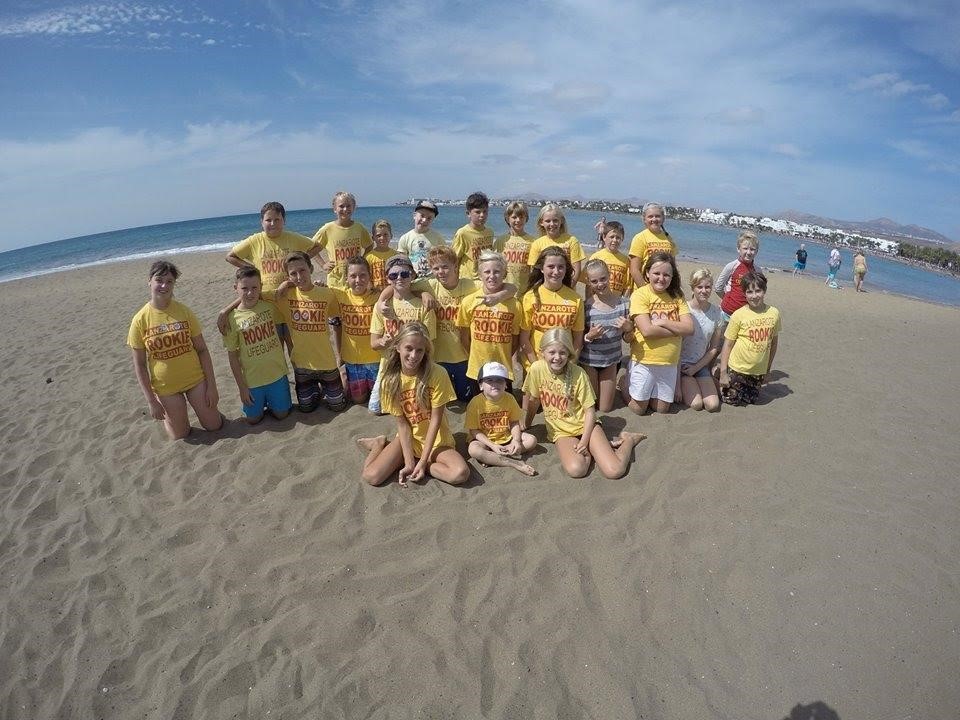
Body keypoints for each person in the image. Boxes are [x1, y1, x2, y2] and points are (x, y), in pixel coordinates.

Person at [356, 322, 470, 487]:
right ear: (398, 347)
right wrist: (409, 463)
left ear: (426, 351)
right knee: (371, 477)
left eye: (420, 350)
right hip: (407, 438)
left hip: (435, 440)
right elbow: (402, 424)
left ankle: (422, 464)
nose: (414, 355)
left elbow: (435, 421)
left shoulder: (437, 373)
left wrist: (423, 462)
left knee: (460, 473)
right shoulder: (390, 381)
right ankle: (378, 443)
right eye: (408, 348)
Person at [522, 329, 646, 479]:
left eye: (562, 352)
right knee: (577, 470)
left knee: (615, 471)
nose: (557, 357)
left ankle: (628, 440)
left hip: (586, 426)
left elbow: (589, 411)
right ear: (542, 352)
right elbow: (534, 400)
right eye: (552, 352)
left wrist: (584, 441)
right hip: (562, 431)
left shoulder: (579, 373)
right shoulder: (536, 369)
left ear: (569, 353)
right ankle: (596, 450)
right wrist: (527, 423)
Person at [128, 260, 223, 440]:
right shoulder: (140, 320)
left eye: (169, 281)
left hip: (195, 380)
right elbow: (140, 365)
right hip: (166, 388)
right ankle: (175, 418)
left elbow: (202, 350)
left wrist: (212, 387)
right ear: (150, 281)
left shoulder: (184, 312)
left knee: (214, 425)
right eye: (159, 280)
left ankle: (203, 412)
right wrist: (151, 400)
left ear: (174, 284)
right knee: (180, 435)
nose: (164, 285)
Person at [271, 252, 347, 413]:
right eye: (293, 273)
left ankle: (338, 382)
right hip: (302, 366)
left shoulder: (327, 293)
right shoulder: (284, 296)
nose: (299, 276)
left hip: (326, 363)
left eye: (302, 270)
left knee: (338, 407)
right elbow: (252, 297)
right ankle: (315, 391)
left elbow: (353, 299)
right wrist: (224, 312)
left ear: (311, 268)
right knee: (307, 409)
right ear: (287, 276)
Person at [623, 252, 694, 414]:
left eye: (666, 274)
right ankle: (624, 380)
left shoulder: (677, 295)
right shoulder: (640, 295)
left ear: (672, 276)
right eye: (656, 273)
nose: (661, 278)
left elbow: (689, 329)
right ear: (647, 273)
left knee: (661, 409)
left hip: (669, 362)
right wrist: (677, 329)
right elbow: (647, 331)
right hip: (645, 359)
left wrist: (663, 322)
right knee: (638, 409)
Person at [223, 267, 293, 424]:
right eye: (244, 288)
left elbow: (287, 294)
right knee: (253, 419)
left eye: (254, 288)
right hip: (252, 381)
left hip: (277, 375)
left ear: (261, 287)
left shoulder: (270, 307)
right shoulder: (231, 319)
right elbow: (233, 356)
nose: (250, 293)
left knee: (282, 415)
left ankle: (274, 400)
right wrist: (242, 388)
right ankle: (263, 402)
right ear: (236, 288)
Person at [368, 255, 436, 414]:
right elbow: (374, 343)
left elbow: (429, 344)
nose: (399, 278)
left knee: (417, 409)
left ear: (412, 275)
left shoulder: (424, 305)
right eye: (393, 275)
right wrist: (384, 341)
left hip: (415, 365)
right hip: (390, 364)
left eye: (404, 274)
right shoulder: (382, 307)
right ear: (388, 278)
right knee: (375, 409)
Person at [457, 250, 524, 392]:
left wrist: (504, 357)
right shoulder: (469, 301)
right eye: (487, 272)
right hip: (477, 369)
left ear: (504, 274)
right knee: (479, 408)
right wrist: (475, 356)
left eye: (497, 272)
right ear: (480, 275)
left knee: (504, 409)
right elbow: (464, 337)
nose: (492, 276)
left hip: (503, 368)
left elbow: (515, 339)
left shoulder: (515, 304)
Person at [719, 270, 781, 406]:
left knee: (751, 400)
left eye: (758, 291)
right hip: (737, 368)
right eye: (749, 292)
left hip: (758, 371)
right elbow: (728, 344)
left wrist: (767, 370)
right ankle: (718, 374)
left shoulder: (774, 313)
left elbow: (774, 344)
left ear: (764, 290)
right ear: (744, 293)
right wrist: (724, 372)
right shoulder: (738, 315)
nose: (754, 296)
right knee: (732, 400)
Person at [226, 202, 319, 292]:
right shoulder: (254, 241)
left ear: (284, 221)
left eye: (277, 219)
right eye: (268, 220)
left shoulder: (293, 237)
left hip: (291, 293)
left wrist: (301, 261)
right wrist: (252, 268)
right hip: (265, 295)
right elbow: (230, 257)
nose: (272, 223)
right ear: (262, 222)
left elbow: (317, 246)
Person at [465, 361, 538, 476]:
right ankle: (513, 463)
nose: (495, 384)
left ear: (506, 385)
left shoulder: (509, 398)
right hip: (485, 440)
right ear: (480, 385)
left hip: (505, 437)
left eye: (499, 380)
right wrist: (492, 445)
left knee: (532, 440)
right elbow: (474, 431)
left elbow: (514, 422)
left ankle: (492, 458)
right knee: (473, 450)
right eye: (489, 380)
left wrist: (516, 441)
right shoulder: (475, 403)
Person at [580, 259, 633, 412]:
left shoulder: (624, 304)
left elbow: (628, 339)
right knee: (592, 407)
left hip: (611, 361)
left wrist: (628, 328)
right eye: (594, 281)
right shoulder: (586, 307)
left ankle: (621, 381)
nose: (600, 284)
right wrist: (589, 336)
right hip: (589, 361)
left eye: (603, 279)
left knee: (605, 408)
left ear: (609, 276)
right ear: (589, 282)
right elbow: (580, 338)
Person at [520, 247, 585, 368]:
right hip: (535, 365)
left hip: (563, 365)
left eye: (561, 267)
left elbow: (577, 339)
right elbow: (524, 339)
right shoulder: (530, 297)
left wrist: (569, 365)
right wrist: (536, 366)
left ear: (566, 270)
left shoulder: (575, 299)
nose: (556, 271)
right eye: (551, 266)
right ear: (542, 269)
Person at [333, 256, 380, 405]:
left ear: (369, 277)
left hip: (375, 359)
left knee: (377, 403)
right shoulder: (340, 295)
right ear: (346, 278)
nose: (358, 280)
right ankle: (344, 374)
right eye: (353, 276)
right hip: (353, 360)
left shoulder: (379, 296)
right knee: (358, 400)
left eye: (362, 275)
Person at [678, 269, 722, 412]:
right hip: (681, 365)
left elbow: (714, 348)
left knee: (712, 405)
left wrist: (696, 368)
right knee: (696, 404)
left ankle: (709, 380)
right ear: (693, 288)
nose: (704, 291)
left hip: (700, 364)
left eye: (707, 287)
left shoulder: (717, 313)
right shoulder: (683, 309)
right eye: (700, 287)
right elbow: (675, 344)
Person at [312, 191, 372, 290]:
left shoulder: (359, 228)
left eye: (348, 206)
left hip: (355, 280)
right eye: (341, 206)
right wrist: (323, 265)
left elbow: (369, 246)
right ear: (334, 209)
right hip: (335, 281)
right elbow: (312, 248)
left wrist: (363, 260)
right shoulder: (328, 228)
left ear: (354, 207)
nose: (345, 209)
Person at [527, 203, 586, 283]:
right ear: (541, 222)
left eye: (555, 220)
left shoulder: (572, 241)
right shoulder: (537, 244)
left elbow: (576, 269)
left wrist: (570, 288)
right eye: (548, 221)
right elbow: (534, 271)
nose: (552, 224)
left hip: (567, 287)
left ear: (561, 221)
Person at [628, 202, 678, 288]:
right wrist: (645, 290)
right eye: (650, 216)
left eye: (657, 216)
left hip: (665, 289)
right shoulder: (640, 238)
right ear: (644, 219)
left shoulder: (668, 238)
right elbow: (634, 270)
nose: (654, 219)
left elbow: (673, 267)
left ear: (663, 219)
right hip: (645, 289)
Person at [715, 230, 760, 322]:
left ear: (756, 251)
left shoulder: (758, 270)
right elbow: (718, 287)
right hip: (727, 313)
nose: (749, 252)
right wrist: (727, 298)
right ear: (738, 249)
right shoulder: (731, 266)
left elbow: (759, 292)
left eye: (752, 249)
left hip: (745, 316)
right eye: (745, 248)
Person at [495, 200, 536, 296]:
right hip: (503, 290)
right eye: (514, 217)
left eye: (521, 217)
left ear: (526, 218)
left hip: (524, 291)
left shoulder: (532, 241)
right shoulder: (501, 241)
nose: (518, 220)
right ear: (507, 218)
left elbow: (533, 269)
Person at [396, 200, 445, 280]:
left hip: (433, 280)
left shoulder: (438, 237)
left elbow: (444, 258)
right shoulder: (405, 238)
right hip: (413, 281)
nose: (425, 220)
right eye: (422, 215)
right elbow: (402, 262)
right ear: (414, 215)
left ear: (433, 219)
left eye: (429, 218)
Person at [452, 192, 495, 279]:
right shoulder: (463, 233)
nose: (482, 215)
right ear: (468, 214)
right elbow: (455, 259)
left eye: (485, 212)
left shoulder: (490, 232)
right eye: (478, 212)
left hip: (485, 278)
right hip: (468, 279)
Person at [586, 220, 632, 296]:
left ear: (622, 239)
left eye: (618, 237)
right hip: (598, 300)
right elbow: (588, 284)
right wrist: (589, 301)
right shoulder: (596, 257)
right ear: (604, 237)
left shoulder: (625, 260)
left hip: (617, 301)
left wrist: (624, 302)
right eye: (612, 237)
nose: (614, 240)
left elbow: (627, 286)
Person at [366, 219, 397, 291]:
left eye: (385, 234)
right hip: (375, 293)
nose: (382, 238)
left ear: (391, 236)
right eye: (378, 235)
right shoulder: (369, 257)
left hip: (393, 292)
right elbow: (367, 279)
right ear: (373, 238)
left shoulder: (396, 255)